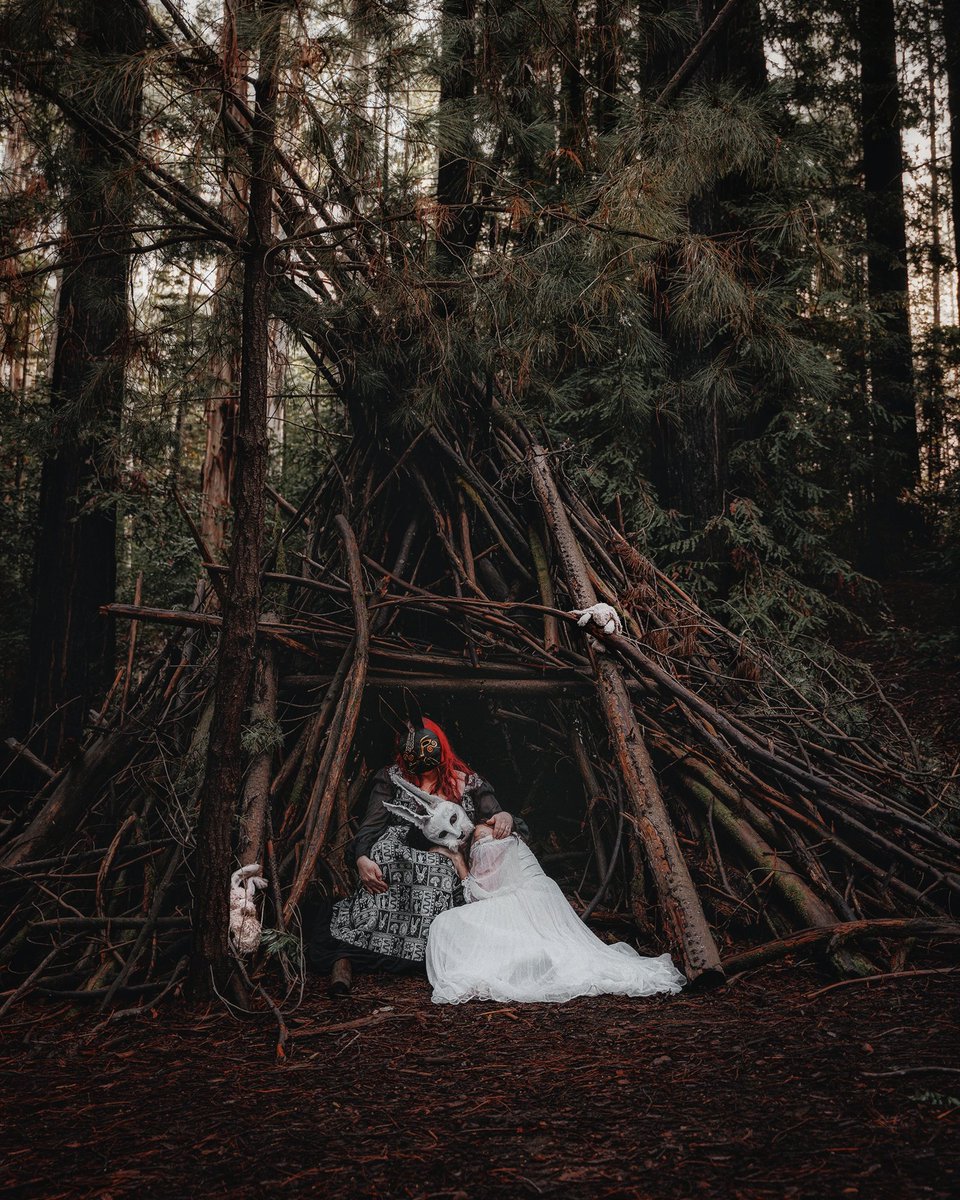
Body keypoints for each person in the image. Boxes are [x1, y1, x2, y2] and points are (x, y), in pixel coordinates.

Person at [309, 719, 514, 980]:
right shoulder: (392, 778)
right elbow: (371, 826)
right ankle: (384, 938)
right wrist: (361, 857)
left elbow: (495, 817)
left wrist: (504, 816)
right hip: (400, 854)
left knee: (437, 869)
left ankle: (430, 944)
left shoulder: (467, 782)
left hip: (449, 860)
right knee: (385, 857)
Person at [425, 823, 687, 1004]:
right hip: (513, 904)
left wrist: (458, 860)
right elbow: (481, 891)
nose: (484, 842)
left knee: (449, 923)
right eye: (480, 839)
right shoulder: (504, 851)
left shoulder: (511, 849)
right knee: (449, 924)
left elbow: (478, 894)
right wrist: (459, 858)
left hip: (520, 903)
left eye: (487, 837)